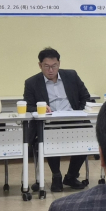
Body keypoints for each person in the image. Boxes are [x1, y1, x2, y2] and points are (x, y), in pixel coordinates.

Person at [23, 48, 93, 192]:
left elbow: (85, 97)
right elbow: (27, 105)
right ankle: (56, 176)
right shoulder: (32, 82)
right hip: (49, 123)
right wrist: (40, 108)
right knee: (51, 137)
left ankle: (71, 176)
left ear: (59, 63)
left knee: (87, 136)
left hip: (73, 119)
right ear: (40, 65)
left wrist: (78, 111)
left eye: (54, 66)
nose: (50, 70)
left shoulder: (71, 76)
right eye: (46, 66)